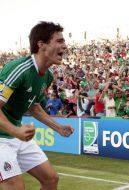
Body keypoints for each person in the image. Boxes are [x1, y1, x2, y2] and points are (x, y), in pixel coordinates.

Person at [0, 21, 74, 190]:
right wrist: (15, 130)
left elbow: (32, 106)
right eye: (59, 41)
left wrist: (58, 127)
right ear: (41, 45)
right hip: (2, 138)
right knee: (16, 187)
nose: (65, 45)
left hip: (15, 134)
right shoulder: (19, 69)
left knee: (51, 179)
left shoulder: (46, 76)